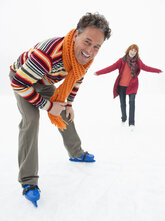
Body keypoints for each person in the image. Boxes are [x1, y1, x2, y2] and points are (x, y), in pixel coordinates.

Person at [9, 12, 111, 207]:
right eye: (87, 42)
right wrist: (48, 106)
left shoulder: (84, 58)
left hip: (44, 80)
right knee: (31, 121)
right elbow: (19, 83)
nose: (90, 50)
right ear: (75, 35)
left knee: (64, 111)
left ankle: (75, 152)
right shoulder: (47, 55)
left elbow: (76, 80)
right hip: (23, 78)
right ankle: (28, 181)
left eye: (96, 46)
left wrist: (69, 104)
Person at [94, 44, 162, 129]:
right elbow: (111, 68)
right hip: (122, 86)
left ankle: (132, 123)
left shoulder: (138, 61)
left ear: (136, 52)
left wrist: (157, 71)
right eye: (131, 50)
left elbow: (146, 67)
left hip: (132, 85)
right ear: (128, 50)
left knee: (132, 103)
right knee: (123, 104)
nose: (133, 52)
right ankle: (124, 118)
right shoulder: (121, 60)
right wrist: (98, 72)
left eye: (135, 51)